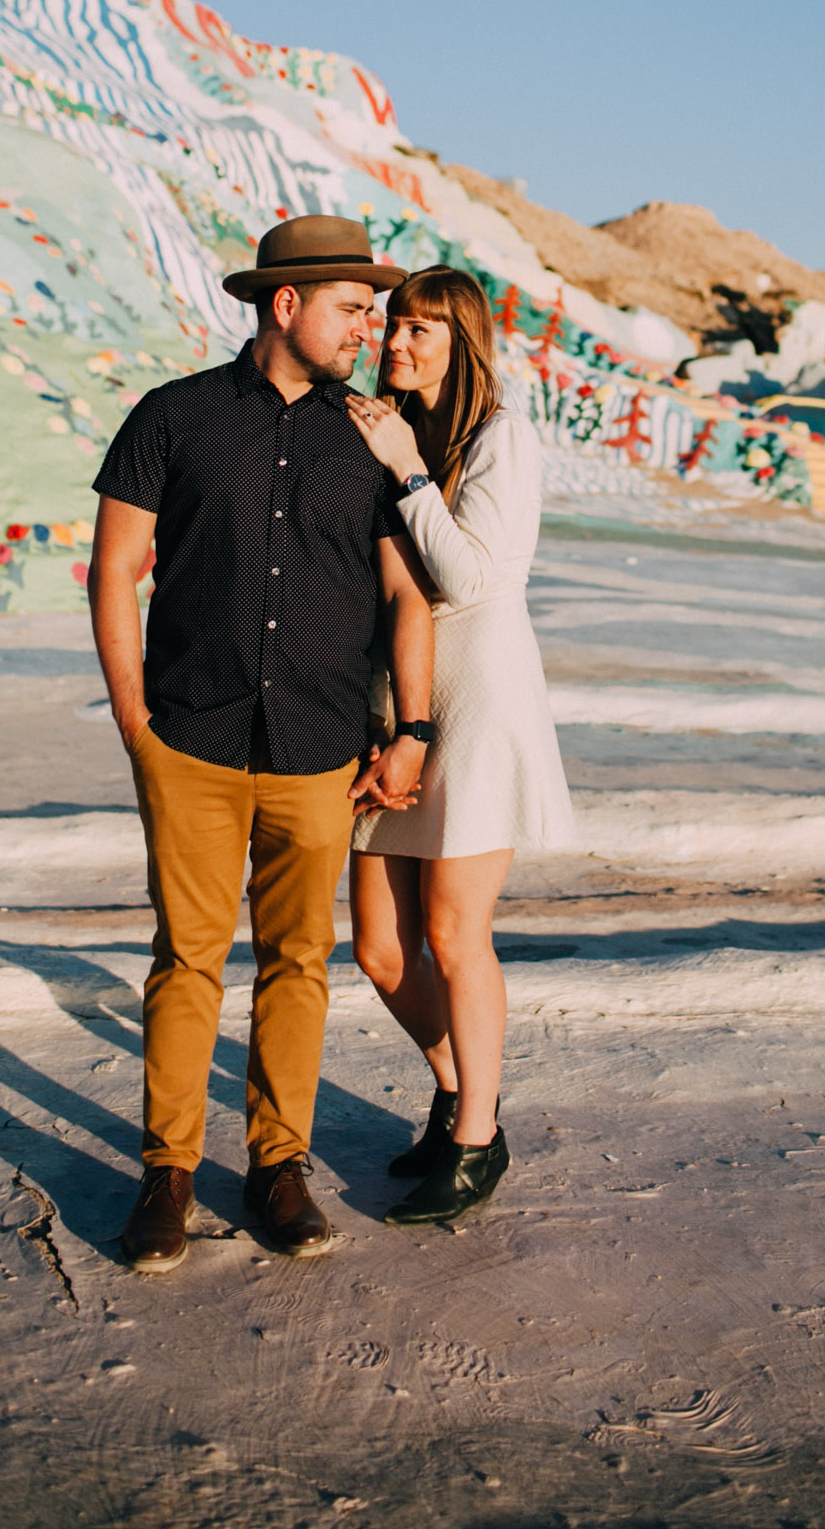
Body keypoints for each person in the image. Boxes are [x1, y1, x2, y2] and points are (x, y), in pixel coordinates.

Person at [88, 215, 435, 1274]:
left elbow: (407, 594)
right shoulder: (173, 417)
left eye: (371, 311)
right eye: (351, 307)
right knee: (186, 960)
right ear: (285, 306)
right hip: (188, 738)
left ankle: (277, 1169)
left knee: (299, 962)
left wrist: (411, 730)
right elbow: (114, 570)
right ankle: (168, 1175)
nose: (367, 327)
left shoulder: (370, 437)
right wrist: (133, 718)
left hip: (322, 748)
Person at [345, 266, 576, 1226]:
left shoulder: (499, 439)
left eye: (422, 330)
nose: (398, 343)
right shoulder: (385, 428)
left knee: (452, 933)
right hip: (391, 705)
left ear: (464, 341)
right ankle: (458, 1094)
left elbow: (472, 578)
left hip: (476, 702)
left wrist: (404, 468)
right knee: (379, 948)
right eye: (394, 326)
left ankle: (477, 1143)